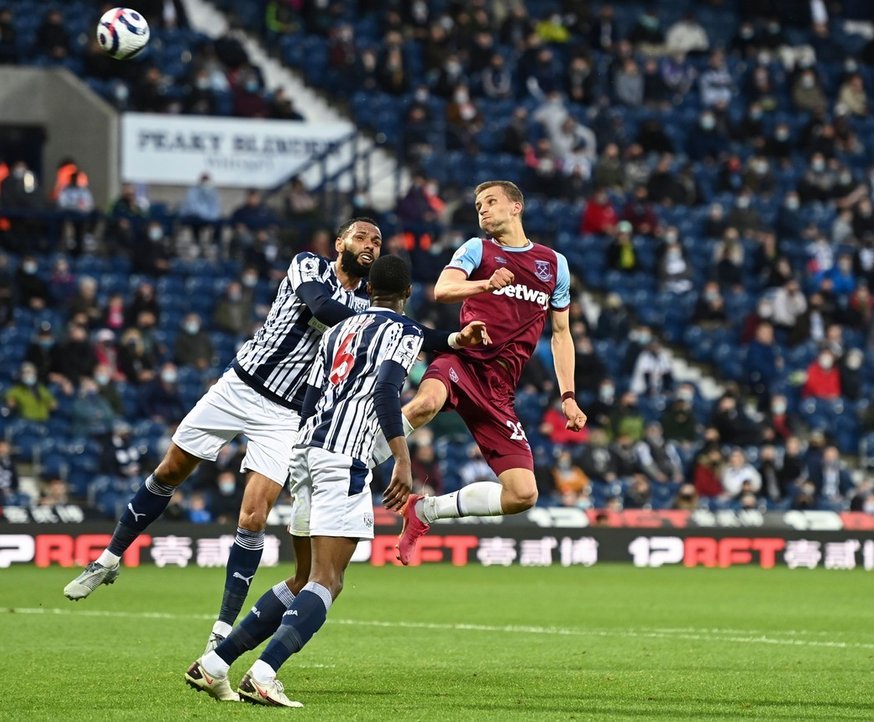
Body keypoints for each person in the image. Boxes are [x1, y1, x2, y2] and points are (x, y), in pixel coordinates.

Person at [62, 218, 487, 654]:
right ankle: (108, 559)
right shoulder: (309, 267)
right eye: (361, 236)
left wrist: (454, 338)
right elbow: (322, 308)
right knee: (170, 470)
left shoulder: (369, 306)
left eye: (377, 241)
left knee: (253, 517)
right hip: (240, 385)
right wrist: (385, 321)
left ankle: (222, 630)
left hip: (285, 415)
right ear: (339, 242)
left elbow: (409, 335)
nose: (370, 245)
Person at [185, 255, 429, 706]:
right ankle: (263, 672)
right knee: (327, 580)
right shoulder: (405, 331)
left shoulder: (337, 329)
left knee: (301, 578)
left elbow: (312, 392)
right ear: (409, 294)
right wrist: (401, 457)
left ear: (368, 289)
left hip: (305, 452)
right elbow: (385, 391)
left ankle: (215, 663)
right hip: (345, 458)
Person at [372, 180, 587, 564]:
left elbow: (561, 334)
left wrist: (568, 397)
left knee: (523, 494)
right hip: (463, 361)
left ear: (516, 207)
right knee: (426, 403)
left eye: (490, 202)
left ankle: (425, 511)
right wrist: (486, 283)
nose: (482, 210)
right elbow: (443, 288)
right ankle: (357, 458)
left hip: (499, 391)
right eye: (477, 205)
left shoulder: (554, 265)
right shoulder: (478, 249)